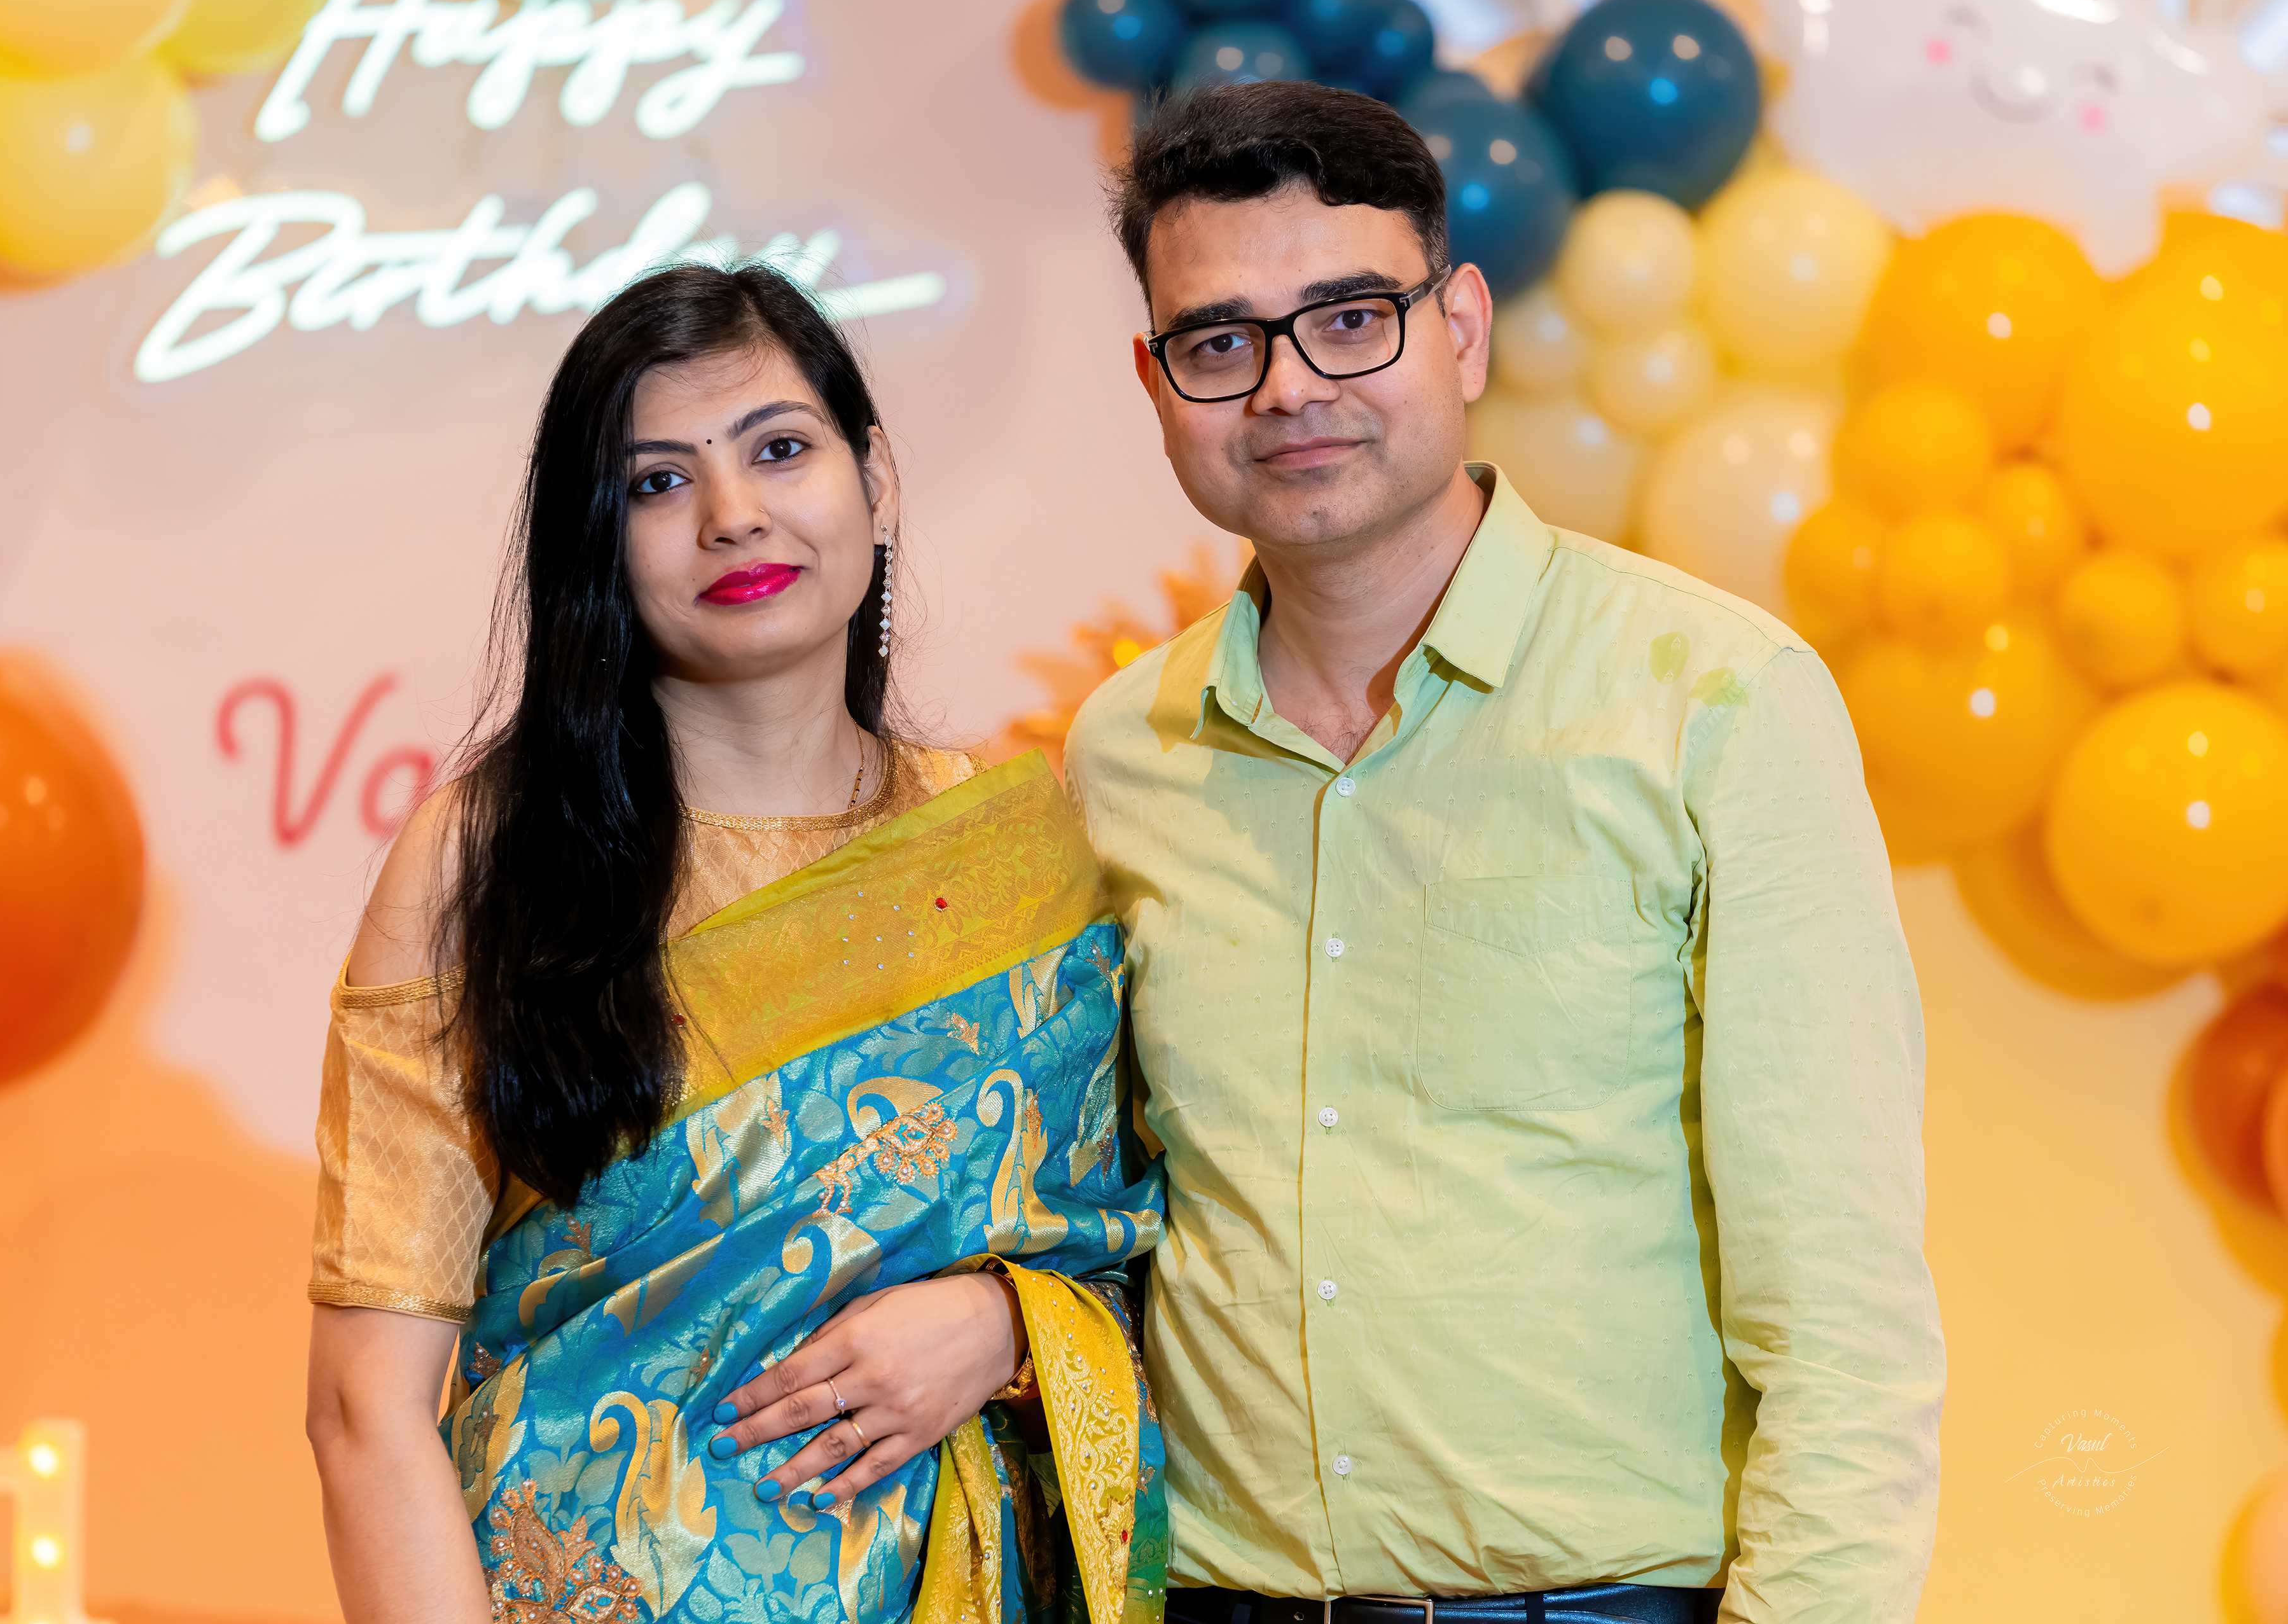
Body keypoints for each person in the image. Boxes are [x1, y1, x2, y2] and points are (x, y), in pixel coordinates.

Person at [1064, 83, 1945, 1624]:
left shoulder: (1714, 696)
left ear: (1461, 329)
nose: (1288, 388)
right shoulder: (1122, 753)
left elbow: (1843, 1315)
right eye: (1221, 343)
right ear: (1157, 382)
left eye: (1351, 319)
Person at [302, 262, 1166, 1624]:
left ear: (874, 480)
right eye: (658, 482)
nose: (732, 515)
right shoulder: (486, 861)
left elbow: (1158, 1263)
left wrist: (1005, 1326)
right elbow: (366, 1408)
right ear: (595, 542)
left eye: (778, 449)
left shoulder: (1015, 854)